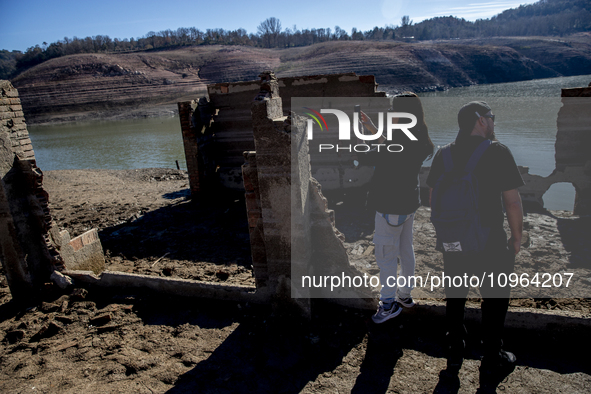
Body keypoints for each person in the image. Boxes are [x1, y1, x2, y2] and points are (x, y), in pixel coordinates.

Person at [426, 101, 524, 375]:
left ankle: (454, 352)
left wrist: (447, 233)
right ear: (480, 120)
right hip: (489, 240)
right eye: (491, 117)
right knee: (494, 298)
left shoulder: (443, 155)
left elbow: (433, 199)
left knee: (455, 297)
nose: (493, 122)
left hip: (453, 241)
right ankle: (492, 356)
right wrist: (516, 238)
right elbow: (512, 202)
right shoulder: (498, 151)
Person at [359, 93, 434, 323]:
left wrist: (359, 142)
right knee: (405, 249)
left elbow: (369, 156)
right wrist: (372, 129)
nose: (390, 113)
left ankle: (389, 303)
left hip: (390, 205)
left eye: (394, 109)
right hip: (408, 204)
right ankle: (405, 295)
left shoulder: (402, 138)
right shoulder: (419, 135)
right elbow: (391, 147)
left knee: (386, 255)